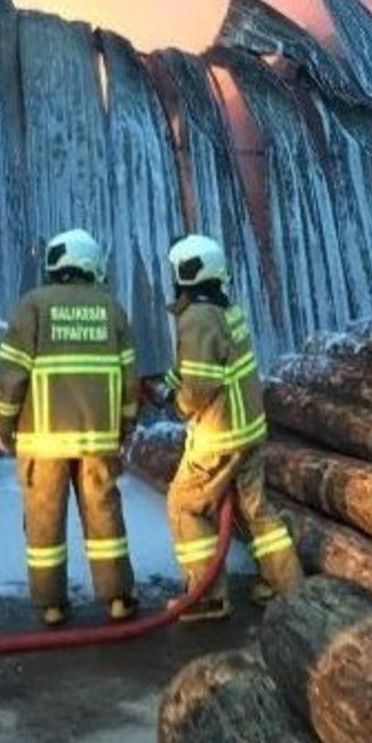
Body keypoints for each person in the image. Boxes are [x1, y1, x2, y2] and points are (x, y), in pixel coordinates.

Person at [0, 228, 140, 626]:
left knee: (43, 522)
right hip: (98, 438)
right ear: (91, 264)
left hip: (42, 440)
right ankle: (118, 599)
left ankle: (52, 605)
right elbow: (130, 378)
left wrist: (2, 425)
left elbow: (12, 376)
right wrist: (126, 425)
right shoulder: (112, 310)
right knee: (105, 516)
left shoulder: (32, 306)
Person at [163, 233, 302, 621]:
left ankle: (207, 596)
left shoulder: (196, 317)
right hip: (250, 431)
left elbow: (200, 386)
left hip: (218, 438)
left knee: (185, 506)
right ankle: (289, 587)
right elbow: (208, 365)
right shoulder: (225, 308)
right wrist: (169, 381)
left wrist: (177, 402)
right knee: (257, 510)